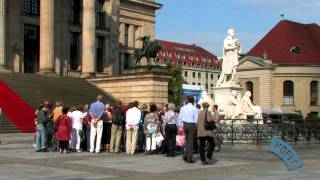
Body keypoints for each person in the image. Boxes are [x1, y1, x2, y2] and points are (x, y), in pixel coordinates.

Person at [179, 96, 199, 163]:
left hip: (185, 124)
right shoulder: (194, 108)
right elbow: (196, 119)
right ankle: (189, 158)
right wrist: (197, 127)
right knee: (190, 141)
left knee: (187, 140)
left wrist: (180, 127)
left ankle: (185, 155)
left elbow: (180, 118)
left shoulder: (183, 108)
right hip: (191, 125)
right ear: (193, 101)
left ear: (187, 100)